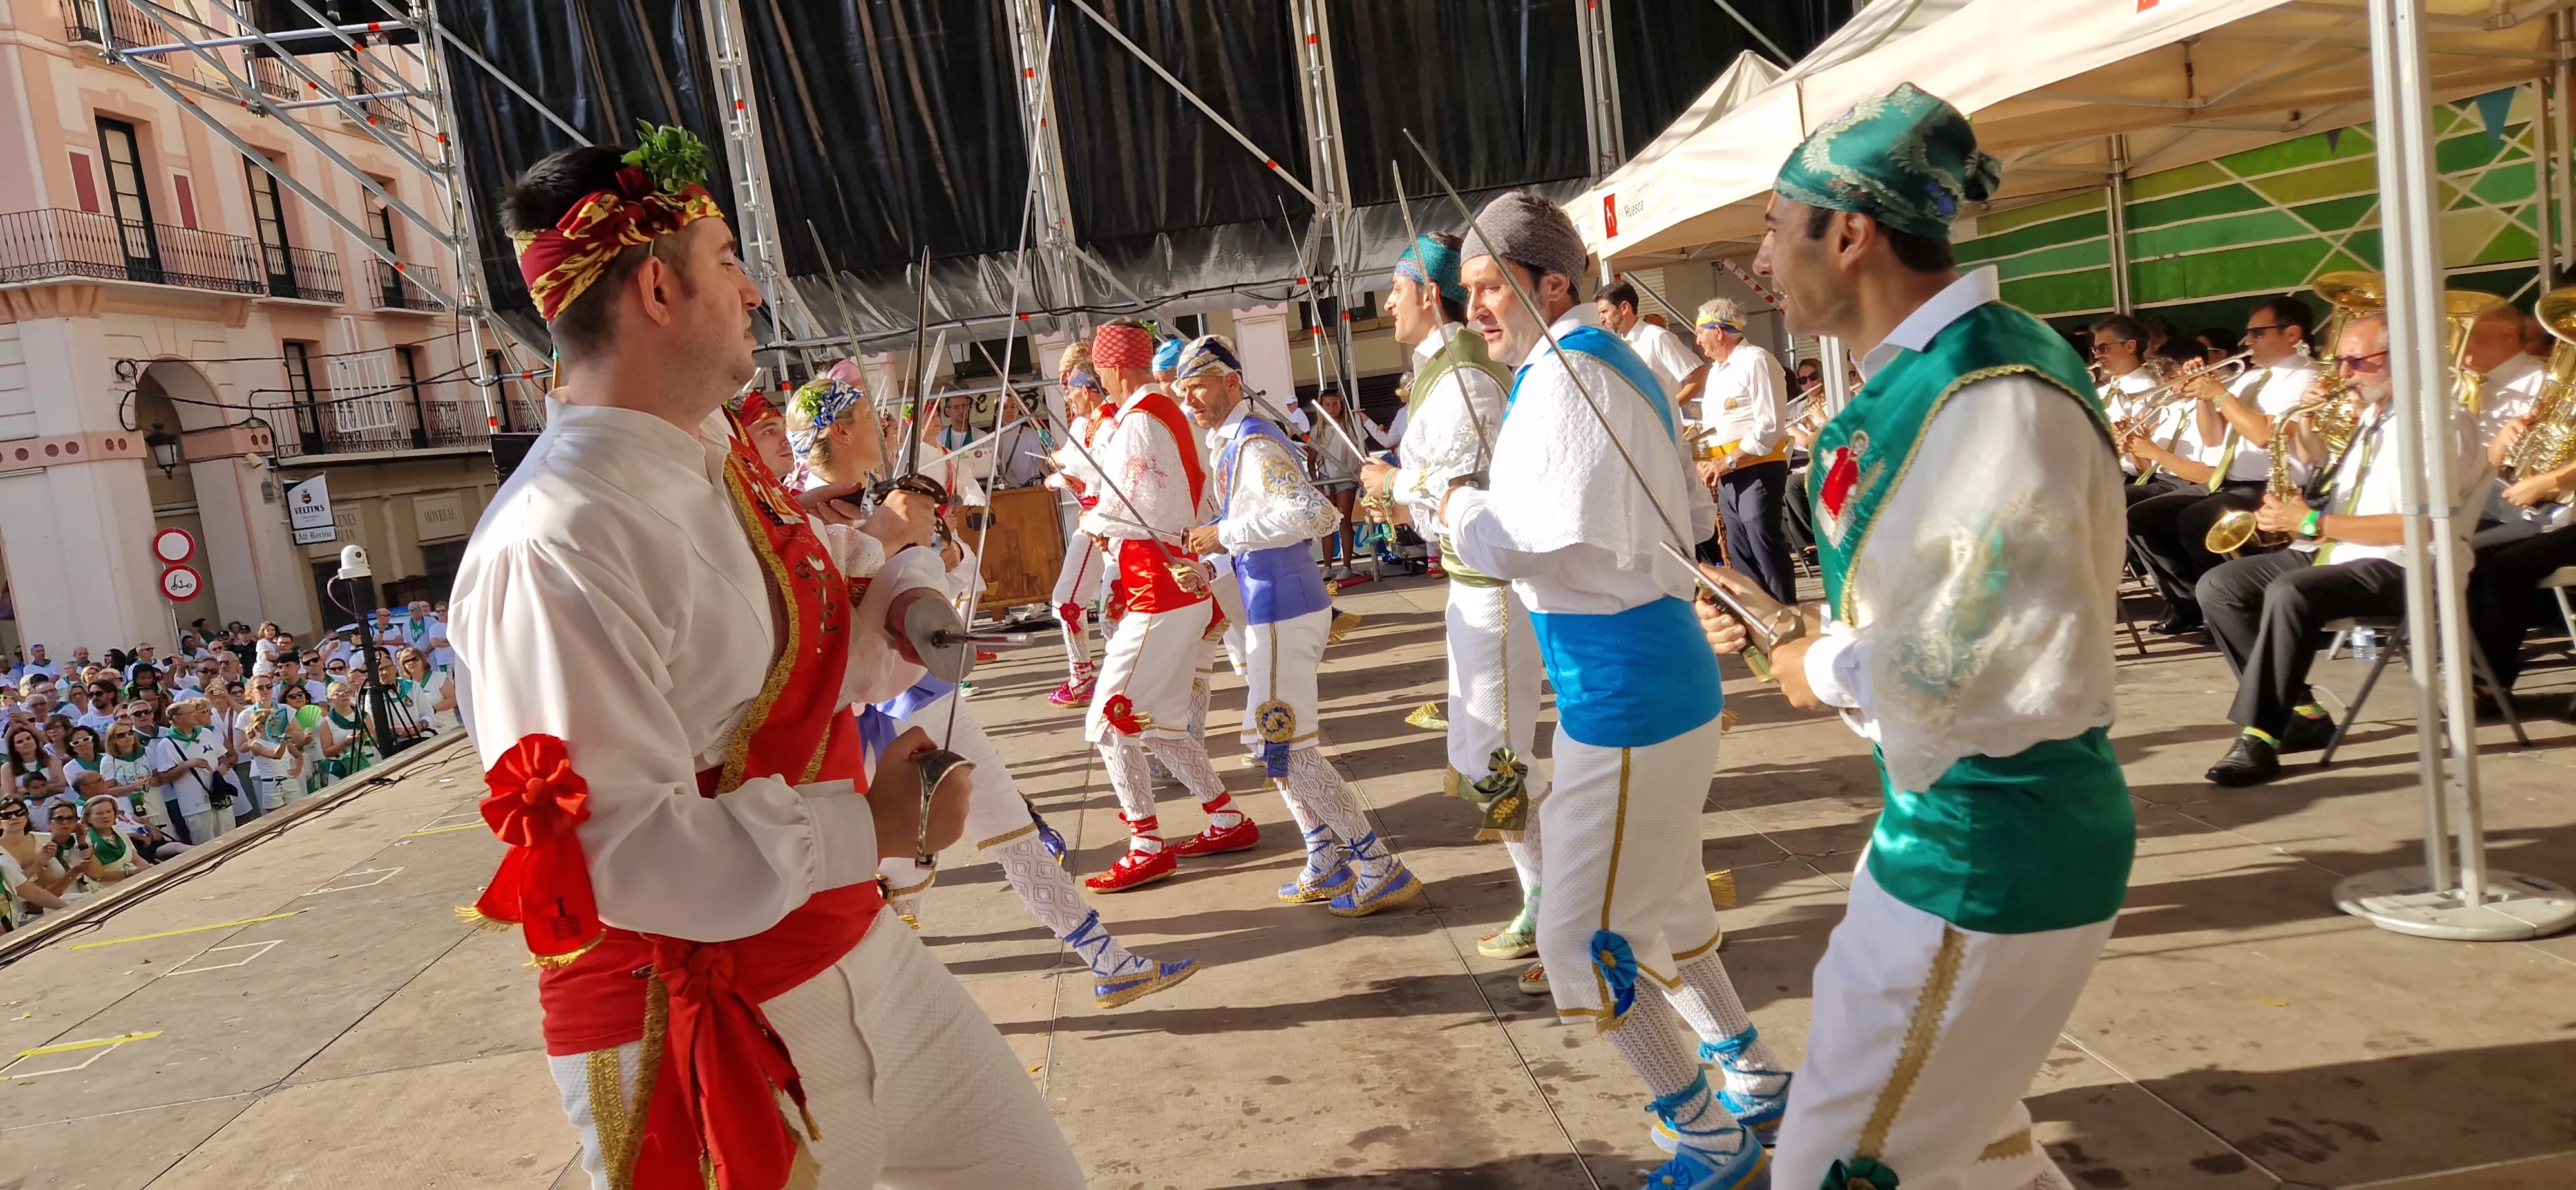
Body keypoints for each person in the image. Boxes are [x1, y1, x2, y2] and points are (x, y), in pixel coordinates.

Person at [455, 131, 1076, 1190]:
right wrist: (872, 828)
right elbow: (621, 854)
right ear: (658, 289)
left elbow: (793, 646)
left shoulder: (711, 457)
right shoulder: (556, 539)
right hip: (708, 1020)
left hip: (851, 946)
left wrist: (901, 604)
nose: (752, 292)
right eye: (727, 260)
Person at [1699, 82, 2136, 1190]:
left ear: (1850, 235)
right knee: (1976, 1150)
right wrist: (1783, 630)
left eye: (1773, 229)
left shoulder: (1988, 390)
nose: (1759, 261)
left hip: (1988, 841)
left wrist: (1816, 661)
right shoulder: (1949, 375)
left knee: (1832, 1167)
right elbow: (1946, 610)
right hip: (1956, 828)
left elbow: (1991, 660)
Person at [1436, 189, 1783, 1190]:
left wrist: (1443, 502)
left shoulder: (1568, 373)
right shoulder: (1599, 361)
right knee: (1665, 900)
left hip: (1630, 696)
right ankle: (1751, 1074)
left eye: (1490, 286)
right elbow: (1652, 521)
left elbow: (1517, 542)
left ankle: (1707, 1134)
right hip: (1644, 684)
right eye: (1467, 290)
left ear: (1553, 283)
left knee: (1579, 936)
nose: (1476, 309)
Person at [1179, 334, 1422, 917]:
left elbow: (1313, 514)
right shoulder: (1235, 442)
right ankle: (1324, 855)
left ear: (1230, 383)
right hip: (1272, 608)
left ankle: (1376, 863)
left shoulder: (1255, 442)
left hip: (1284, 609)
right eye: (1183, 391)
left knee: (1284, 741)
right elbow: (1254, 527)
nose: (1189, 400)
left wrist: (1223, 536)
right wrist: (1212, 564)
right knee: (1272, 744)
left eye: (1197, 388)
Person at [1359, 232, 1547, 987]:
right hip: (1472, 590)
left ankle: (1560, 901)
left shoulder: (1466, 377)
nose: (1386, 305)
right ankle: (1552, 890)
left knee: (1498, 760)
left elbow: (1469, 488)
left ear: (1426, 294)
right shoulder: (1445, 373)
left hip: (1493, 590)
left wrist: (1394, 486)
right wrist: (1400, 485)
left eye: (1395, 290)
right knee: (1481, 756)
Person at [2196, 311, 2492, 784]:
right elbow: (2317, 463)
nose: (2345, 373)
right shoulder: (2373, 414)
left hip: (2406, 564)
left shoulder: (2439, 425)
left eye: (2358, 362)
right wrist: (2306, 428)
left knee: (2293, 591)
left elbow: (2419, 527)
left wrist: (2312, 521)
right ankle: (2301, 711)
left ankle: (2261, 735)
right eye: (2340, 362)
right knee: (2220, 586)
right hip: (2337, 550)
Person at [1053, 318, 1260, 893]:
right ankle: (1226, 818)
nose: (1100, 382)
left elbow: (1145, 506)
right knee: (1164, 726)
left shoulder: (1143, 418)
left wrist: (1094, 516)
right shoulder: (1161, 411)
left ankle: (1146, 844)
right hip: (1177, 587)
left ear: (1114, 368)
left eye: (1100, 373)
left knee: (1109, 719)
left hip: (1159, 590)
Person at [2125, 298, 2324, 634]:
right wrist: (2203, 394)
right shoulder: (2249, 379)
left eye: (2258, 333)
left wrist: (2218, 394)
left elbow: (2264, 436)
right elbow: (2213, 437)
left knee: (2196, 520)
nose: (2248, 341)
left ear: (2292, 334)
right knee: (2143, 517)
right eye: (2248, 333)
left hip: (2275, 485)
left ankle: (2228, 612)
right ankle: (2190, 604)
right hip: (2230, 480)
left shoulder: (2307, 379)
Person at [1689, 297, 1797, 604]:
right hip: (1726, 472)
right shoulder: (1716, 372)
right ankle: (1759, 617)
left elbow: (1769, 424)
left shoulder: (1756, 360)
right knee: (1740, 552)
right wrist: (1704, 461)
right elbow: (1709, 427)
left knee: (1763, 544)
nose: (1698, 341)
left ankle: (1786, 613)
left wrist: (1730, 461)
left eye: (1700, 332)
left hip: (1757, 467)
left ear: (1718, 331)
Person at [1044, 343, 1112, 707]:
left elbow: (1096, 469)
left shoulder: (1111, 422)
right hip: (1096, 520)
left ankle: (1085, 678)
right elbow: (1074, 465)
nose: (1067, 396)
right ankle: (1092, 676)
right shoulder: (1086, 423)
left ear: (1086, 389)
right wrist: (1061, 472)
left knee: (1071, 601)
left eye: (1070, 388)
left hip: (1106, 522)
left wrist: (1063, 472)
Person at [1598, 279, 1710, 415]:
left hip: (1663, 424)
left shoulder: (1657, 337)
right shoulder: (1619, 344)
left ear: (1625, 308)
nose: (1601, 319)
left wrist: (1667, 410)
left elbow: (1699, 374)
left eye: (1605, 311)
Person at [149, 697, 235, 844]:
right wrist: (186, 765)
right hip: (195, 806)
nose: (196, 714)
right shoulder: (166, 744)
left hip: (220, 797)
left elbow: (223, 757)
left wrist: (223, 767)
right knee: (207, 844)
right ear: (177, 718)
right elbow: (165, 778)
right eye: (191, 712)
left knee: (232, 837)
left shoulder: (205, 733)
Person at [1309, 388, 1367, 581]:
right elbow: (1311, 460)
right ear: (1322, 407)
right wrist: (1317, 483)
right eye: (1328, 405)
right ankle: (1327, 567)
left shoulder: (1351, 427)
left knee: (1344, 522)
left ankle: (1347, 565)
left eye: (1335, 404)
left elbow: (1362, 453)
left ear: (1341, 406)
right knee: (1327, 524)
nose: (1332, 408)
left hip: (1346, 478)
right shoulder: (1318, 430)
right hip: (1327, 479)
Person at [78, 794, 149, 885]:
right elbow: (97, 876)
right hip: (110, 886)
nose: (105, 816)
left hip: (136, 879)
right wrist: (130, 874)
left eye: (109, 812)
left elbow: (137, 859)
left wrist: (148, 868)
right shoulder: (85, 841)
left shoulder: (119, 832)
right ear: (88, 818)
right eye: (99, 813)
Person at [395, 648, 459, 733]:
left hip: (447, 728)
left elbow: (453, 700)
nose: (411, 663)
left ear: (423, 660)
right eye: (407, 661)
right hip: (423, 733)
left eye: (415, 659)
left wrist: (431, 710)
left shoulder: (439, 677)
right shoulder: (404, 686)